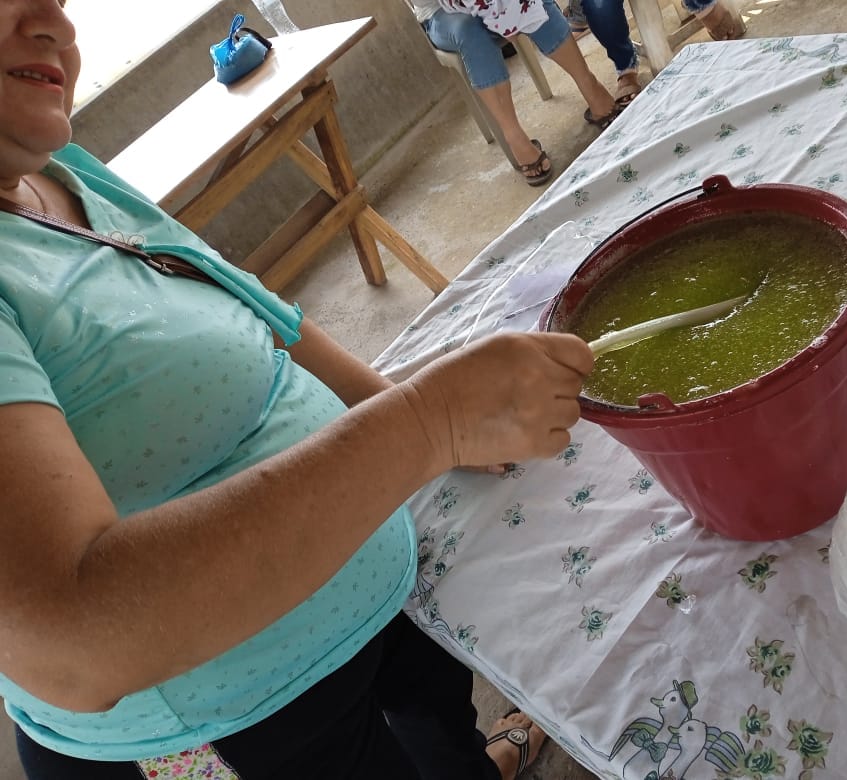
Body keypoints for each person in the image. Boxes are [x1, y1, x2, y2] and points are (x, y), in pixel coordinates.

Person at [0, 1, 595, 778]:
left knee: (440, 723)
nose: (55, 21)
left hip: (364, 586)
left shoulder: (56, 168)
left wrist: (398, 408)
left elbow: (256, 307)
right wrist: (428, 424)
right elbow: (73, 644)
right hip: (244, 719)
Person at [411, 0, 623, 186]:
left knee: (535, 2)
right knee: (469, 31)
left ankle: (591, 87)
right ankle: (514, 135)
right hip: (441, 13)